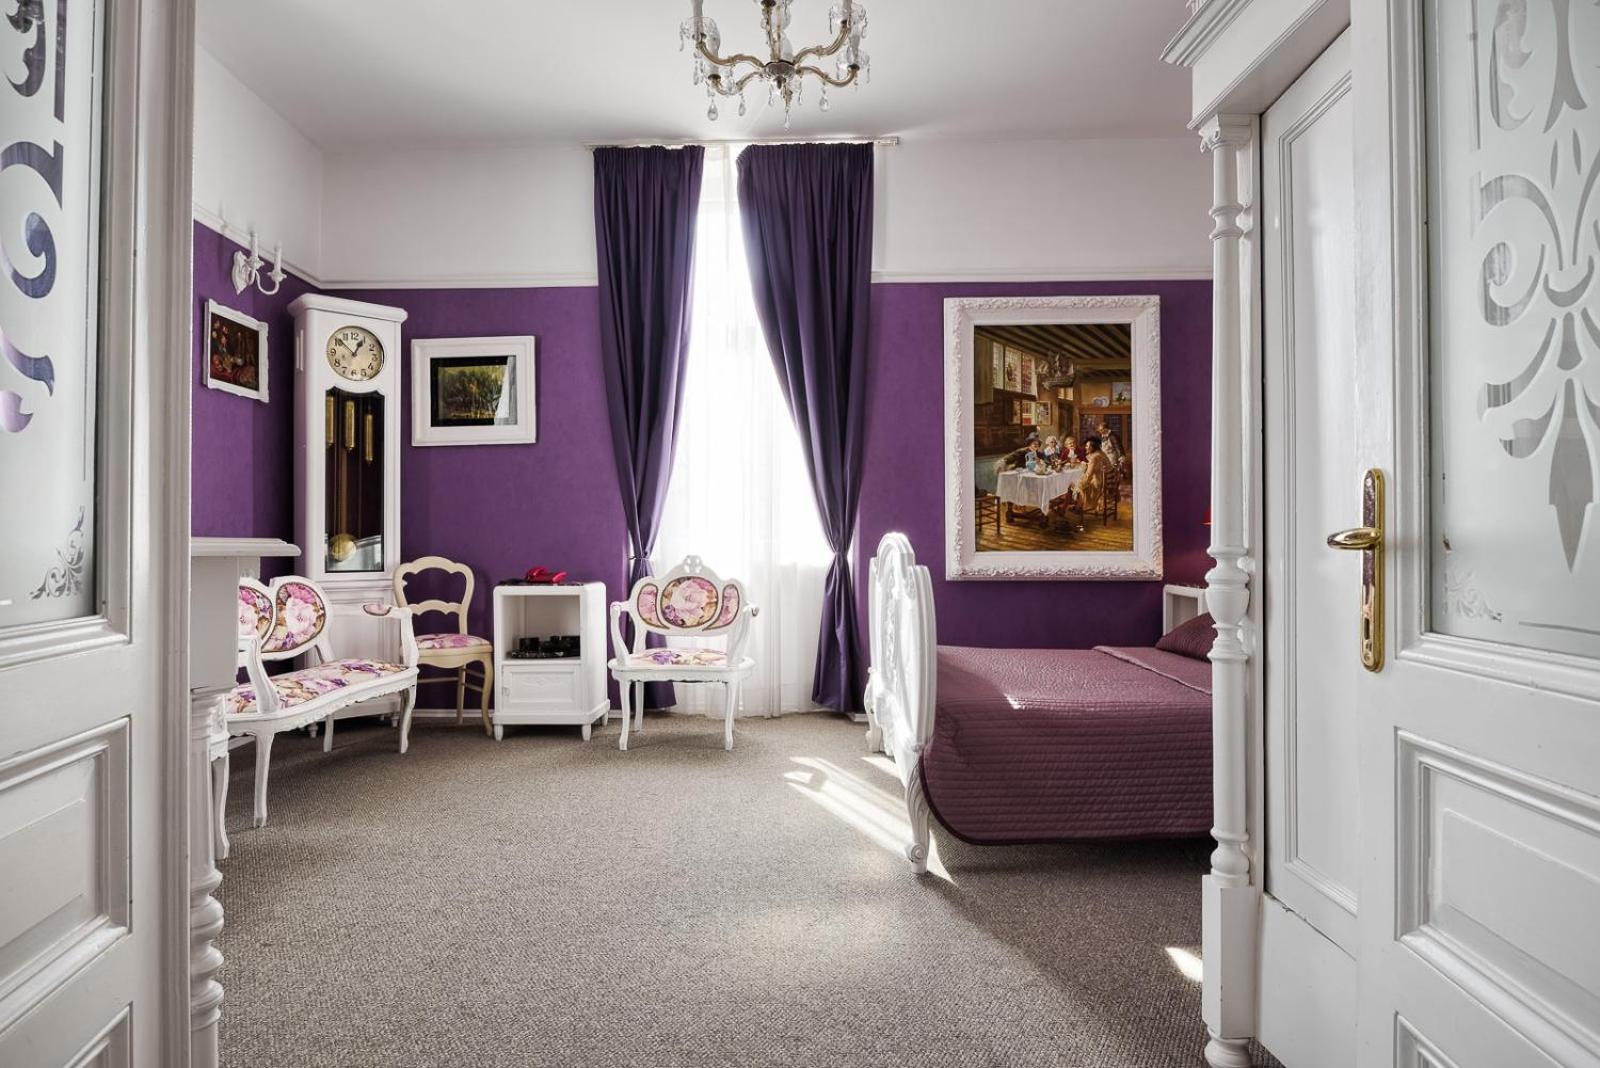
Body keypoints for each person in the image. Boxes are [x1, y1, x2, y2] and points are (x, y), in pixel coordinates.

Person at [1079, 436, 1111, 512]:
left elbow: (1089, 474)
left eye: (1087, 446)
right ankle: (1080, 506)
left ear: (1093, 447)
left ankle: (1082, 507)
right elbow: (1097, 467)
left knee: (1078, 485)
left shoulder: (1094, 457)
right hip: (1106, 482)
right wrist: (1087, 465)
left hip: (1099, 484)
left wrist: (1081, 482)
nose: (1085, 448)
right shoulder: (1101, 453)